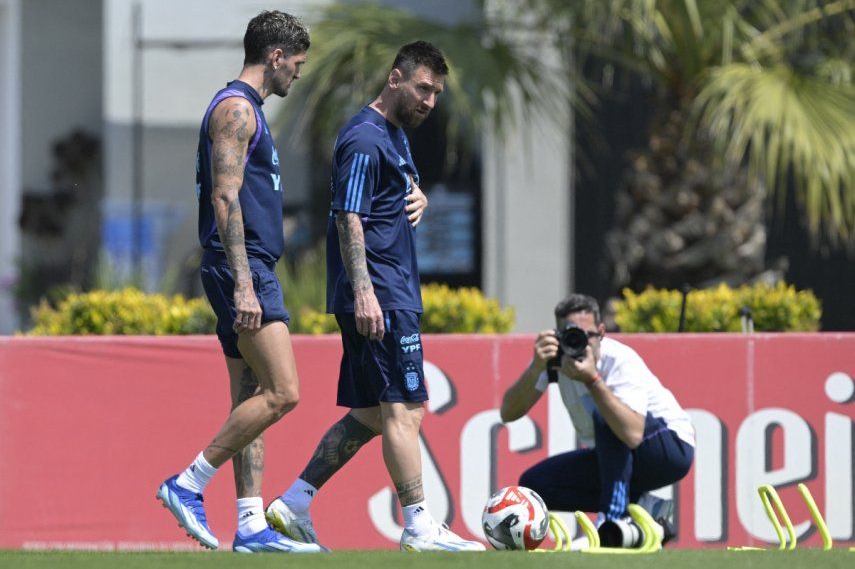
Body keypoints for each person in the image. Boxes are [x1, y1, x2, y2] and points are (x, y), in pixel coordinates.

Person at [262, 41, 484, 552]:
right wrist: (364, 291)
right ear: (394, 78)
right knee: (406, 410)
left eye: (436, 93)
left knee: (368, 413)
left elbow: (391, 193)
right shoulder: (364, 137)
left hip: (388, 288)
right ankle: (418, 526)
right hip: (381, 293)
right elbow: (347, 214)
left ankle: (294, 500)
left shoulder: (394, 135)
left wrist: (420, 193)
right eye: (423, 88)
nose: (429, 100)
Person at [156, 11, 321, 554]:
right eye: (295, 65)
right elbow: (225, 197)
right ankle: (188, 482)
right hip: (241, 264)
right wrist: (246, 285)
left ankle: (250, 525)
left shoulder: (247, 110)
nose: (295, 75)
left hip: (243, 264)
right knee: (283, 392)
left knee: (250, 396)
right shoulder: (236, 109)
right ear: (275, 57)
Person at [500, 294, 695, 548]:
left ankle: (611, 521)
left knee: (606, 415)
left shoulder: (618, 360)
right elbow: (509, 413)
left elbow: (633, 433)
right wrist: (536, 368)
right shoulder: (553, 359)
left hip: (669, 447)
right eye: (568, 334)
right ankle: (648, 509)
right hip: (616, 453)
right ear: (557, 335)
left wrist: (592, 379)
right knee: (535, 486)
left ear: (601, 332)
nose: (578, 343)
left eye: (586, 335)